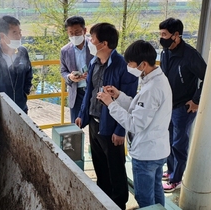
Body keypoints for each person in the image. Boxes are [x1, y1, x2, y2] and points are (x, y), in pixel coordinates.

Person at [97, 40, 172, 208]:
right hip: (158, 150)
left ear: (143, 64)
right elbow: (140, 108)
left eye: (130, 64)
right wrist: (118, 96)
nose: (128, 68)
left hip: (146, 153)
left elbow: (135, 124)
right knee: (156, 191)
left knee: (145, 198)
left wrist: (110, 104)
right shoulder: (158, 79)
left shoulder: (152, 88)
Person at [75, 23, 138, 210]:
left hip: (112, 126)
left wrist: (120, 130)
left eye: (92, 39)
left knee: (115, 168)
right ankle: (102, 199)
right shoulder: (94, 62)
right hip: (94, 123)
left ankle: (119, 204)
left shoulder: (123, 66)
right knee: (99, 163)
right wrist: (82, 115)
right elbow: (89, 92)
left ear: (104, 43)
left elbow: (129, 101)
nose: (89, 42)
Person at [159, 18, 207, 192]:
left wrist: (196, 100)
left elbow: (207, 76)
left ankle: (177, 179)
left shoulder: (190, 55)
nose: (161, 38)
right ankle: (171, 171)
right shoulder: (165, 53)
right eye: (160, 34)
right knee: (169, 140)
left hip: (183, 107)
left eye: (165, 34)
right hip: (168, 105)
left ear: (176, 35)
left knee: (179, 143)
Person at [60, 16, 93, 123]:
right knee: (75, 127)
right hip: (76, 93)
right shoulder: (65, 51)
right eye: (71, 33)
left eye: (77, 32)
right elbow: (63, 70)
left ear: (84, 30)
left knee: (95, 127)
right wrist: (70, 77)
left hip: (93, 91)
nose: (74, 36)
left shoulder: (94, 46)